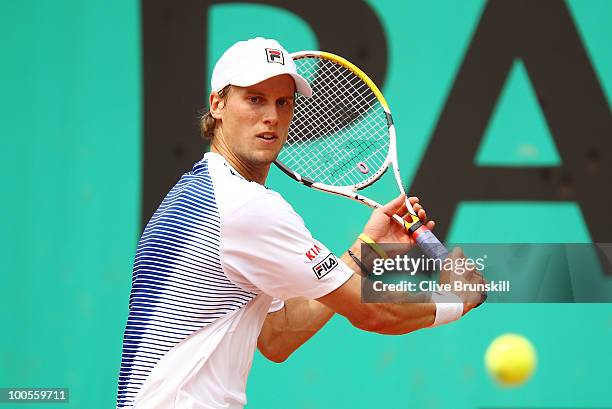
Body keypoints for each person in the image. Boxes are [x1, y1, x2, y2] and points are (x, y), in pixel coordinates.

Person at [115, 37, 485, 409]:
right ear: (218, 104)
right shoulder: (244, 206)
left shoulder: (204, 190)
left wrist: (366, 249)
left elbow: (279, 335)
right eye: (255, 99)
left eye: (283, 102)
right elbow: (375, 312)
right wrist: (454, 299)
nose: (272, 117)